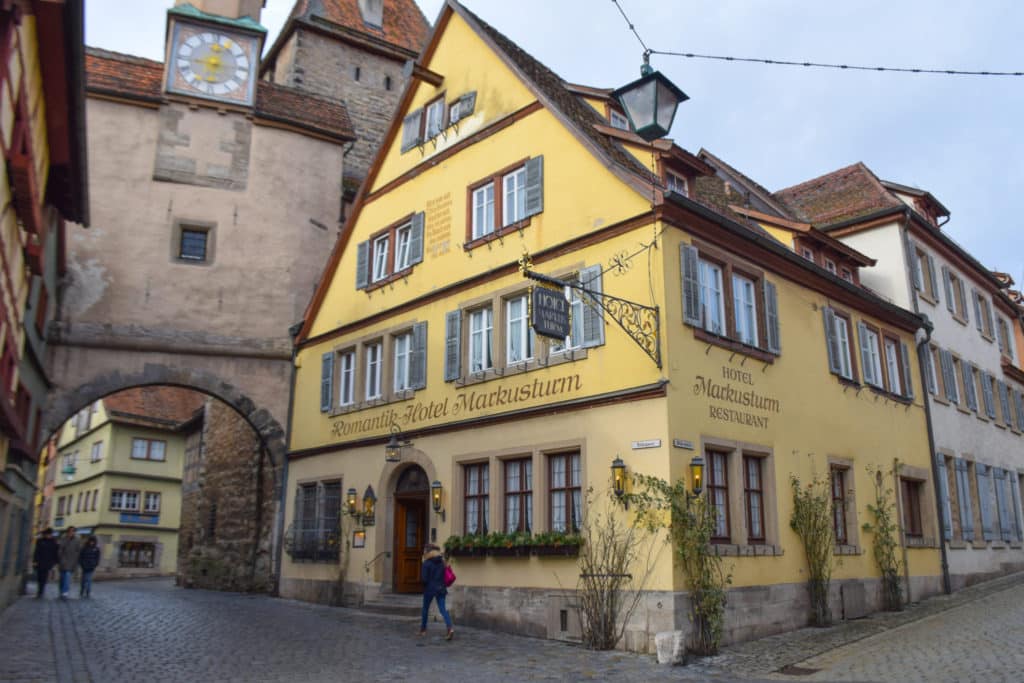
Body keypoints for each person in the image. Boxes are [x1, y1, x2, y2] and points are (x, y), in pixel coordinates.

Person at [419, 543, 454, 640]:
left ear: (428, 552)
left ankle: (423, 630)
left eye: (425, 550)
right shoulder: (442, 562)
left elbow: (424, 579)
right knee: (443, 609)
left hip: (429, 589)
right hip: (441, 588)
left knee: (425, 609)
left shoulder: (426, 563)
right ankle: (450, 628)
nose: (423, 552)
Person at [32, 528, 59, 599]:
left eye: (49, 534)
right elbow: (36, 551)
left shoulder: (54, 542)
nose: (48, 535)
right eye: (47, 534)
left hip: (48, 562)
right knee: (39, 576)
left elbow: (55, 553)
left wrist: (55, 562)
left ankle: (41, 591)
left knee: (44, 577)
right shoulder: (40, 541)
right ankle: (40, 589)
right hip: (40, 561)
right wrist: (35, 561)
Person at [57, 526, 82, 600]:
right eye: (70, 531)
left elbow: (78, 551)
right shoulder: (63, 539)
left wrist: (76, 560)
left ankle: (65, 592)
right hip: (63, 562)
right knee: (62, 578)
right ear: (67, 532)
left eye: (73, 531)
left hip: (71, 562)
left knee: (67, 578)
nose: (71, 532)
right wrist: (61, 559)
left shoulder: (77, 540)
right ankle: (61, 591)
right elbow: (60, 550)